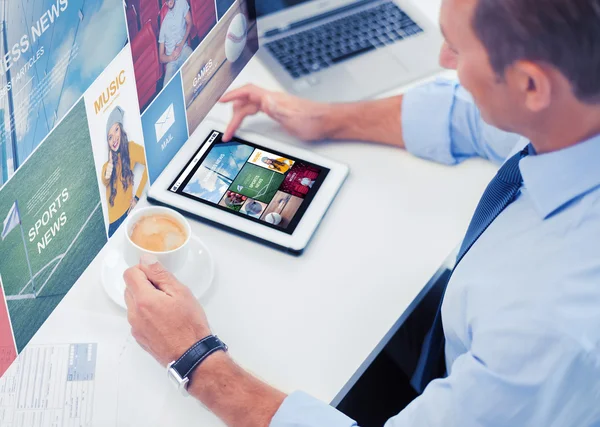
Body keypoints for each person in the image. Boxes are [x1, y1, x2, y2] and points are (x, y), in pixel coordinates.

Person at [123, 0, 600, 425]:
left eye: (457, 49)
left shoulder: (551, 330)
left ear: (532, 84)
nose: (442, 61)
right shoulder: (575, 112)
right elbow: (469, 117)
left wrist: (196, 360)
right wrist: (324, 119)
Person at [102, 106, 148, 237]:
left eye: (116, 130)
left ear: (121, 130)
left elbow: (148, 161)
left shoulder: (131, 149)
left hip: (128, 215)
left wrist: (137, 197)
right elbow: (105, 179)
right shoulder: (107, 165)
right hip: (114, 225)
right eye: (110, 137)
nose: (114, 138)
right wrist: (110, 167)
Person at [159, 0, 193, 84]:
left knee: (197, 63)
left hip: (183, 49)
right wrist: (171, 57)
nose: (168, 1)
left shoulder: (182, 3)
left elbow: (190, 23)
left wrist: (181, 44)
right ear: (165, 3)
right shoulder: (163, 26)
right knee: (167, 89)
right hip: (171, 62)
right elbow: (161, 57)